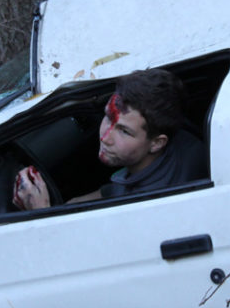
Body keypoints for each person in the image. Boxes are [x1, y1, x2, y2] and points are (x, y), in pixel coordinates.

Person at [12, 68, 207, 210]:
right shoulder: (184, 138)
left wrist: (41, 213)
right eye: (108, 116)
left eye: (124, 131)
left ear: (157, 143)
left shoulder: (147, 206)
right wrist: (67, 206)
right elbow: (114, 191)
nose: (105, 137)